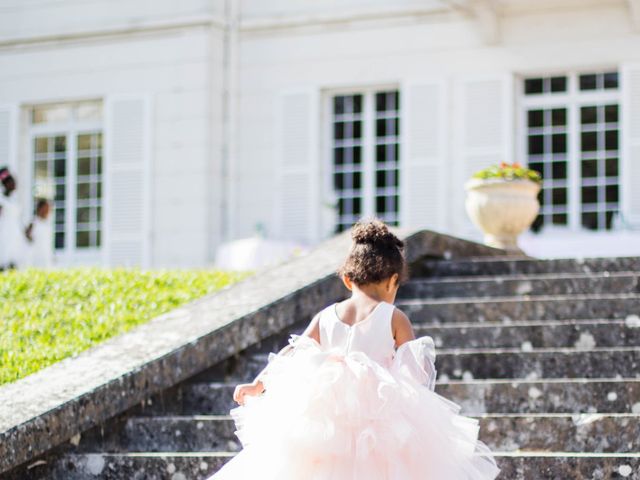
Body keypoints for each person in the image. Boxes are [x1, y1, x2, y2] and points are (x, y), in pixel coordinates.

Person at [208, 218, 501, 479]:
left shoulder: (326, 315)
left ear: (348, 279)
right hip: (378, 419)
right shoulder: (394, 317)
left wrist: (258, 384)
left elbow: (294, 352)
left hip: (323, 417)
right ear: (394, 281)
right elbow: (416, 374)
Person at [0, 167, 25, 270]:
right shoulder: (1, 200)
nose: (14, 184)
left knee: (14, 261)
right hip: (4, 232)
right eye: (11, 182)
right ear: (5, 184)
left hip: (14, 233)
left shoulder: (14, 200)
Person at [25, 198, 54, 268]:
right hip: (35, 257)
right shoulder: (33, 223)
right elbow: (26, 238)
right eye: (45, 208)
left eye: (49, 209)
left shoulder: (48, 224)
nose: (47, 211)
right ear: (39, 209)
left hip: (46, 256)